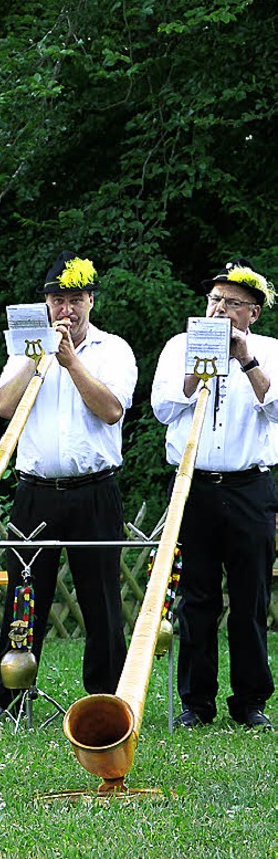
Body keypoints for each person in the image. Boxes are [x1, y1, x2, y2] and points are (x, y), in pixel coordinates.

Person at [0, 250, 138, 717]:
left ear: (91, 300)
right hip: (36, 492)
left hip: (95, 490)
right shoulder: (24, 346)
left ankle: (105, 700)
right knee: (25, 595)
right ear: (46, 305)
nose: (65, 310)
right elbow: (4, 407)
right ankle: (9, 699)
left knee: (102, 602)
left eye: (74, 300)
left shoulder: (113, 349)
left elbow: (111, 410)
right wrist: (37, 362)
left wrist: (71, 362)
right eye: (57, 301)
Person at [151, 257, 278, 730]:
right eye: (215, 301)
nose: (220, 310)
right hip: (194, 485)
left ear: (253, 313)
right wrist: (199, 366)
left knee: (250, 598)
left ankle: (250, 701)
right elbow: (163, 407)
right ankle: (196, 702)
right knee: (196, 597)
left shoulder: (271, 349)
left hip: (250, 484)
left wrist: (245, 360)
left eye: (232, 303)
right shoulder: (180, 345)